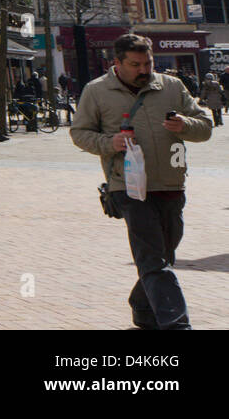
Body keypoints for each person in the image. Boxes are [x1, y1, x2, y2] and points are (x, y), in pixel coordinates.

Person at [70, 33, 213, 329]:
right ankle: (176, 324)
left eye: (147, 63)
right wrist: (111, 142)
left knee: (164, 254)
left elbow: (205, 127)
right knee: (152, 257)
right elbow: (79, 133)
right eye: (135, 64)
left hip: (171, 183)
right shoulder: (96, 91)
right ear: (117, 63)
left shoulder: (171, 86)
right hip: (129, 187)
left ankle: (142, 306)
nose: (143, 70)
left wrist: (185, 125)